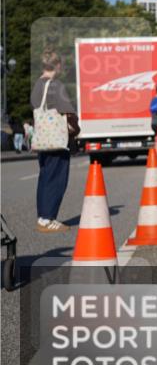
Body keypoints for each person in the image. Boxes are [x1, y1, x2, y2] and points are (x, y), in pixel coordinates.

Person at [31, 50, 79, 232]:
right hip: (57, 140)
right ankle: (48, 218)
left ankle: (43, 216)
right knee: (57, 179)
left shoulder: (37, 85)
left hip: (43, 138)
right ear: (57, 65)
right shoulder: (56, 85)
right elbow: (68, 112)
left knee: (44, 177)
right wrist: (76, 131)